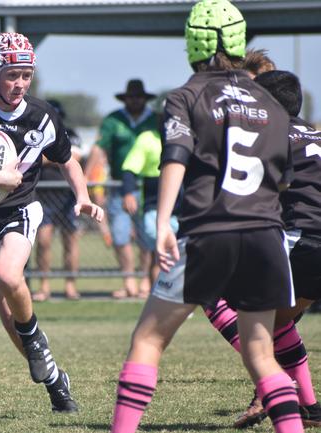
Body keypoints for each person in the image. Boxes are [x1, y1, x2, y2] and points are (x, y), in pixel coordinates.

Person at [110, 1, 304, 432]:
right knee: (260, 353)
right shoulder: (270, 101)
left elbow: (175, 155)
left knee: (148, 340)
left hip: (208, 233)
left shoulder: (187, 95)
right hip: (266, 237)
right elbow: (284, 179)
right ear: (240, 41)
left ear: (191, 42)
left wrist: (162, 222)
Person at [0, 32, 103, 412]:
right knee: (11, 319)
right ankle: (57, 381)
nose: (20, 84)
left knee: (11, 276)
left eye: (26, 75)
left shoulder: (42, 114)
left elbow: (67, 159)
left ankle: (38, 345)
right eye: (12, 75)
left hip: (20, 210)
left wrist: (83, 196)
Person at [205, 70, 321, 429]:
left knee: (208, 292)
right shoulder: (316, 133)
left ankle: (277, 384)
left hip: (300, 240)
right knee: (276, 322)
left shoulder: (266, 134)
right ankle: (310, 407)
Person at [84, 79, 157, 299]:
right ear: (125, 99)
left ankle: (145, 279)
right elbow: (99, 148)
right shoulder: (113, 120)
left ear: (145, 99)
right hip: (118, 186)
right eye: (131, 97)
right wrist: (86, 176)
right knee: (120, 235)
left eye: (138, 97)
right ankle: (129, 281)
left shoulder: (155, 120)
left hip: (147, 187)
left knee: (148, 235)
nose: (135, 100)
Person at [119, 114, 178, 291]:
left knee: (183, 255)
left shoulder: (188, 137)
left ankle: (182, 298)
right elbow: (129, 168)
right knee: (160, 252)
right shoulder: (147, 139)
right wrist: (128, 192)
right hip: (155, 206)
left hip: (184, 207)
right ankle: (159, 295)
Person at [33, 99, 82, 301]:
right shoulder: (35, 133)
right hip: (43, 198)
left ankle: (70, 285)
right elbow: (31, 158)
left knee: (70, 243)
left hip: (68, 198)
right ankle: (44, 286)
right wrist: (59, 157)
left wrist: (44, 157)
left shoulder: (72, 133)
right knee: (43, 242)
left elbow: (75, 157)